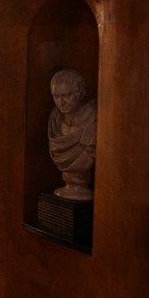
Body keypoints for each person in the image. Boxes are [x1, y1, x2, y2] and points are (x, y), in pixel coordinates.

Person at [47, 69, 97, 201]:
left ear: (79, 93)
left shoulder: (95, 119)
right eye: (56, 97)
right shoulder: (55, 119)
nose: (60, 102)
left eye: (66, 95)